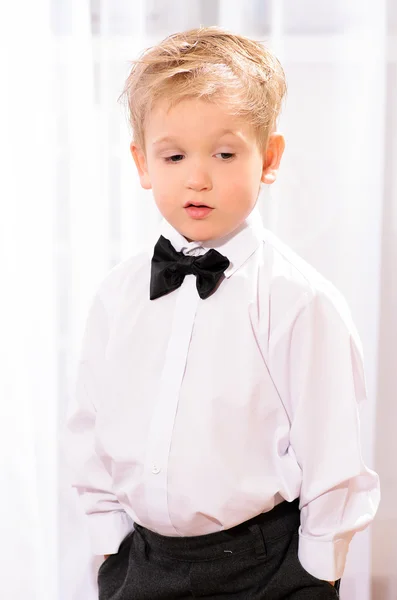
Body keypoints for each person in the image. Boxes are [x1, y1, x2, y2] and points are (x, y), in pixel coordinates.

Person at [62, 26, 380, 599]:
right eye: (174, 154)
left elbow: (332, 451)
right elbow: (91, 423)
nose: (198, 177)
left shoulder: (299, 300)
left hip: (263, 567)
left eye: (225, 153)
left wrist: (316, 575)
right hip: (143, 559)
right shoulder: (118, 294)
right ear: (141, 162)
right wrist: (110, 542)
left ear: (269, 158)